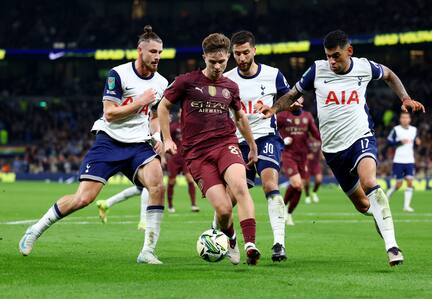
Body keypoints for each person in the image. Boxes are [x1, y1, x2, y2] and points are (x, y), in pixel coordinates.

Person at [257, 29, 425, 266]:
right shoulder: (317, 70)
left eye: (336, 56)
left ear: (349, 51)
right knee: (363, 205)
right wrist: (274, 110)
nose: (331, 61)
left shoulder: (365, 67)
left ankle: (392, 246)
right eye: (328, 56)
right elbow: (293, 93)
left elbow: (389, 74)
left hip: (360, 137)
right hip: (334, 151)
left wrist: (405, 98)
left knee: (369, 182)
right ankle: (379, 213)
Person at [19, 26, 169, 265]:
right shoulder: (118, 74)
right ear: (139, 50)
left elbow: (152, 116)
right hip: (109, 141)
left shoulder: (162, 82)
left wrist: (158, 137)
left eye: (160, 52)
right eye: (153, 51)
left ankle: (147, 251)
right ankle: (35, 230)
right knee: (83, 199)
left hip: (139, 144)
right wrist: (138, 101)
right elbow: (109, 114)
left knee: (157, 185)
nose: (157, 57)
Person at [158, 33, 261, 265]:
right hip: (197, 154)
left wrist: (252, 146)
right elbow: (163, 107)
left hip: (226, 144)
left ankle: (251, 244)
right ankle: (231, 239)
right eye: (212, 61)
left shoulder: (231, 87)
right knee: (223, 210)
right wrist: (167, 139)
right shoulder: (186, 81)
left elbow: (240, 117)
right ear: (204, 57)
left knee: (240, 187)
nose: (217, 66)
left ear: (227, 59)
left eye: (222, 61)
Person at [218, 30, 290, 261]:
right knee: (228, 198)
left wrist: (289, 105)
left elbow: (291, 99)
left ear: (254, 51)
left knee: (270, 184)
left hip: (266, 137)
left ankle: (279, 243)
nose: (241, 57)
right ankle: (220, 239)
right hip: (237, 142)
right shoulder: (227, 79)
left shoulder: (273, 74)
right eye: (237, 54)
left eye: (245, 52)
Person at [277, 110, 320, 225]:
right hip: (288, 155)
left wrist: (325, 141)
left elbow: (316, 134)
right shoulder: (282, 116)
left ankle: (288, 213)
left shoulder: (307, 116)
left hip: (303, 157)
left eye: (300, 98)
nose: (297, 100)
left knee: (299, 187)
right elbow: (271, 129)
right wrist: (281, 140)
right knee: (297, 184)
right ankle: (283, 208)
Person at [386, 111, 420, 212]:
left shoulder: (414, 130)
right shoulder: (396, 129)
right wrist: (399, 142)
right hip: (399, 160)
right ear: (400, 119)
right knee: (399, 184)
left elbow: (415, 142)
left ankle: (406, 206)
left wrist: (418, 143)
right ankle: (387, 195)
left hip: (410, 160)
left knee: (410, 182)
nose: (405, 119)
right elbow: (389, 141)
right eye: (403, 118)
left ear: (410, 119)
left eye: (407, 118)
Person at [165, 112, 199, 213]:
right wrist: (164, 155)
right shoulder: (173, 126)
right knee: (171, 181)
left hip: (186, 158)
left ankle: (193, 205)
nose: (181, 113)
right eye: (180, 111)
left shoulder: (190, 126)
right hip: (174, 157)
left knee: (190, 179)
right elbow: (167, 140)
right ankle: (170, 206)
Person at [304, 137, 323, 204]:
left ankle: (314, 192)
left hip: (316, 164)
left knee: (319, 180)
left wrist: (322, 155)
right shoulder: (305, 140)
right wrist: (306, 156)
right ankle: (307, 196)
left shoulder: (319, 139)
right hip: (307, 164)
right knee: (306, 182)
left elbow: (321, 149)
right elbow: (300, 151)